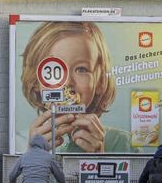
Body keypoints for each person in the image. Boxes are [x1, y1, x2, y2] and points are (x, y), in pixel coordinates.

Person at [19, 21, 132, 154]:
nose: (67, 83)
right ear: (36, 81)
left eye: (81, 69)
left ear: (100, 81)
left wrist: (100, 158)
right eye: (56, 70)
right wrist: (33, 156)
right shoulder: (18, 142)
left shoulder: (123, 143)